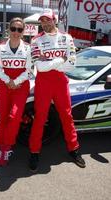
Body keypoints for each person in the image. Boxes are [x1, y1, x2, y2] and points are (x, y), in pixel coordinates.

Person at [29, 9, 86, 172]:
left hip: (61, 82)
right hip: (43, 83)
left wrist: (50, 63)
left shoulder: (66, 38)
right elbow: (39, 66)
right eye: (42, 21)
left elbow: (72, 64)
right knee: (40, 118)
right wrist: (61, 59)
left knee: (67, 116)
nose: (45, 23)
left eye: (48, 20)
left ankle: (74, 149)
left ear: (54, 20)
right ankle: (34, 152)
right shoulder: (35, 40)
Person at [0, 17, 32, 166]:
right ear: (9, 29)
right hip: (4, 84)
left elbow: (29, 71)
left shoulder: (28, 48)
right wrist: (8, 80)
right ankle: (2, 147)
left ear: (23, 32)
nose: (16, 32)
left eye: (19, 29)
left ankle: (8, 146)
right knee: (3, 117)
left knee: (14, 116)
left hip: (21, 85)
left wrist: (15, 82)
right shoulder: (0, 47)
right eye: (13, 29)